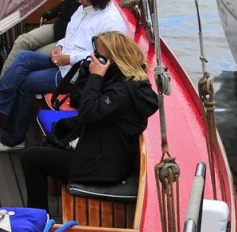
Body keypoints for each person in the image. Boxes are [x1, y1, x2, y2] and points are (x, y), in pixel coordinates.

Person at [20, 31, 159, 213]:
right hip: (102, 152)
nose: (93, 58)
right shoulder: (122, 81)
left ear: (112, 60)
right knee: (40, 148)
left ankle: (37, 217)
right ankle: (38, 213)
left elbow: (88, 113)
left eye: (98, 56)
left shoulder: (122, 92)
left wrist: (96, 77)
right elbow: (82, 103)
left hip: (102, 167)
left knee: (30, 157)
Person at [0, 0, 129, 151]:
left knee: (25, 82)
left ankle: (14, 139)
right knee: (23, 57)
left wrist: (69, 58)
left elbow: (105, 56)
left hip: (77, 74)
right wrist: (60, 47)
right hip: (63, 61)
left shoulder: (111, 22)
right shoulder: (84, 8)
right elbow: (71, 34)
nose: (78, 1)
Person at [0, 0, 87, 75]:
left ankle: (10, 84)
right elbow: (65, 5)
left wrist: (62, 45)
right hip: (57, 28)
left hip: (66, 39)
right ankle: (1, 83)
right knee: (22, 41)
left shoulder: (84, 0)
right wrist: (50, 13)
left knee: (32, 56)